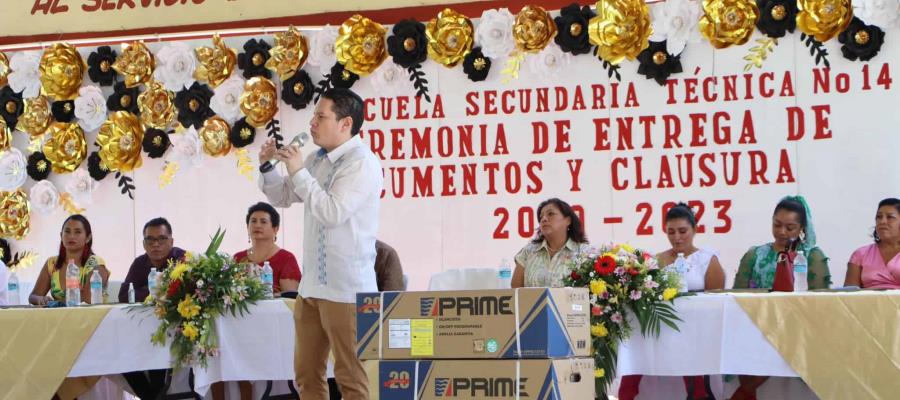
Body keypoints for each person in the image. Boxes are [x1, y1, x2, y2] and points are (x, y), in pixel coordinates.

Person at [259, 88, 382, 400]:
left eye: (320, 116)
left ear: (345, 123)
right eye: (313, 116)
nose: (311, 123)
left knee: (351, 379)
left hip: (345, 289)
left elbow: (332, 211)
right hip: (311, 286)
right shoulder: (316, 159)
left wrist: (299, 171)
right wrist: (267, 166)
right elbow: (283, 197)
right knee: (307, 376)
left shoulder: (362, 163)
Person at [619, 203, 724, 400]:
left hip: (696, 330)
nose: (677, 237)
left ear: (695, 230)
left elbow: (716, 300)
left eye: (683, 231)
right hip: (662, 328)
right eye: (671, 231)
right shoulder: (657, 260)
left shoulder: (708, 259)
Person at [730, 196, 831, 400]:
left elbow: (820, 300)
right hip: (755, 324)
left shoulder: (812, 255)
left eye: (790, 227)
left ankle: (745, 391)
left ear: (802, 227)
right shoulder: (755, 254)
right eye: (777, 225)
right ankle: (747, 389)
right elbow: (737, 295)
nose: (782, 232)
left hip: (797, 326)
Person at [213, 203, 301, 400]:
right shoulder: (238, 258)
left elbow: (289, 297)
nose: (257, 225)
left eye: (263, 221)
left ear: (275, 228)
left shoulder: (286, 258)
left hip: (273, 330)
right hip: (241, 327)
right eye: (253, 221)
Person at [119, 217, 185, 400]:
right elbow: (124, 294)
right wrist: (158, 290)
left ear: (171, 241)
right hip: (141, 332)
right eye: (150, 240)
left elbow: (181, 290)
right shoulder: (140, 263)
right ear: (144, 243)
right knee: (119, 356)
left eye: (162, 239)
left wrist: (145, 290)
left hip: (174, 331)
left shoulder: (181, 259)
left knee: (157, 361)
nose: (156, 244)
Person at [29, 214, 109, 305]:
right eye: (67, 231)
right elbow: (33, 296)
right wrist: (40, 299)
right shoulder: (52, 263)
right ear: (61, 236)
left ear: (88, 238)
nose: (71, 236)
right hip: (58, 318)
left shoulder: (95, 263)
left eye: (77, 232)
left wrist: (54, 303)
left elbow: (88, 299)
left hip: (91, 317)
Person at [512, 198, 592, 288]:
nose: (544, 219)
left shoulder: (583, 253)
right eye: (541, 217)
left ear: (568, 221)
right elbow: (516, 292)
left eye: (550, 214)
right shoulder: (528, 251)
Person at [844, 198, 900, 289]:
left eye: (890, 217)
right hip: (867, 303)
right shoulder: (860, 254)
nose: (882, 221)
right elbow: (848, 295)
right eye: (879, 217)